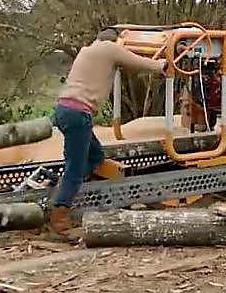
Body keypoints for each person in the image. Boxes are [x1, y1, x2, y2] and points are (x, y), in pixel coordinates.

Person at [49, 27, 166, 240]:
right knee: (75, 169)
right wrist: (162, 65)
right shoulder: (110, 49)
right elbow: (141, 63)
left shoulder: (87, 50)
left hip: (63, 110)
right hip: (78, 114)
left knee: (95, 156)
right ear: (115, 41)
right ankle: (60, 219)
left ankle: (78, 195)